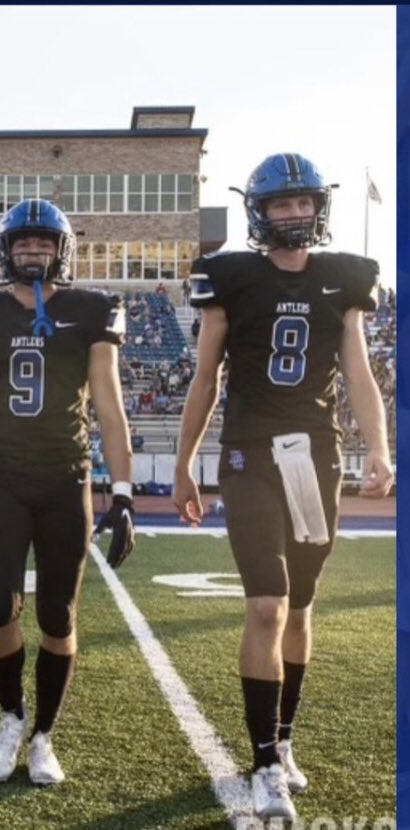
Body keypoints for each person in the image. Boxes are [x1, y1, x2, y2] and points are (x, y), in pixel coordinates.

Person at [172, 153, 393, 822]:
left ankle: (285, 739)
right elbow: (206, 376)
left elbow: (358, 376)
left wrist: (380, 447)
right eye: (281, 205)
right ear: (258, 212)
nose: (294, 214)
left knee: (299, 609)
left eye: (303, 202)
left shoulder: (344, 278)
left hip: (316, 456)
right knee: (266, 606)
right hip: (250, 455)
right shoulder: (231, 277)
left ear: (317, 208)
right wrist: (185, 461)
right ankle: (264, 760)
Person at [0, 198, 135, 786]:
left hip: (66, 477)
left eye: (44, 243)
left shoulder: (93, 310)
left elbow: (110, 410)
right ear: (6, 250)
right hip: (1, 479)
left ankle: (44, 734)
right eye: (24, 244)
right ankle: (11, 715)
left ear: (62, 249)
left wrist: (121, 493)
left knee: (58, 615)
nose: (34, 253)